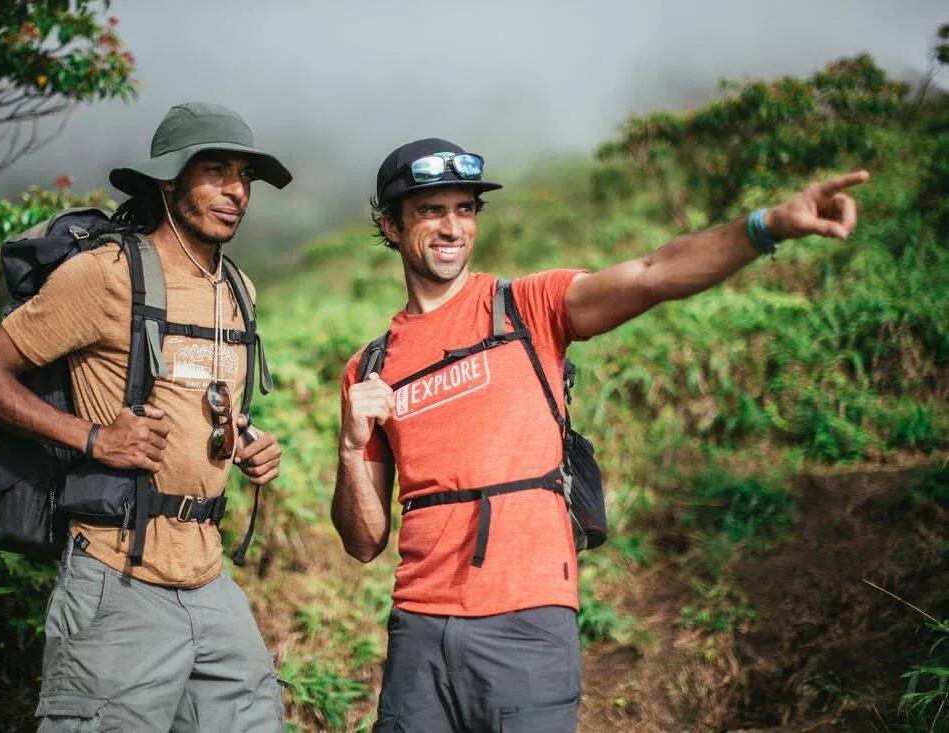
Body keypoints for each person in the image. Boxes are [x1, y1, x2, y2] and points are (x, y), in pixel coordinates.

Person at [331, 137, 868, 732]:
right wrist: (351, 448)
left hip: (526, 623)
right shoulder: (372, 366)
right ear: (390, 224)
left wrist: (767, 226)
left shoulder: (526, 308)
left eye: (465, 209)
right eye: (432, 210)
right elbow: (362, 541)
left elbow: (652, 273)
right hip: (419, 631)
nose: (453, 227)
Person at [0, 102, 288, 731]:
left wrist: (244, 440)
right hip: (118, 574)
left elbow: (197, 394)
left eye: (244, 176)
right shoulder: (105, 276)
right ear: (169, 182)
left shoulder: (237, 288)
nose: (236, 191)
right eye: (214, 172)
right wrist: (93, 438)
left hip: (210, 575)